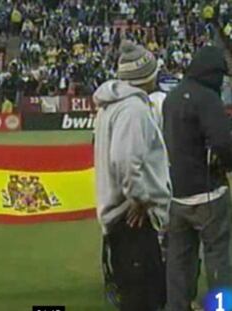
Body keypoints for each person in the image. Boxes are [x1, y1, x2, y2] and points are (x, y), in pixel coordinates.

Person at [94, 40, 171, 311]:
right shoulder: (133, 109)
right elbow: (125, 159)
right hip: (133, 218)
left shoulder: (110, 106)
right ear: (146, 75)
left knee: (135, 294)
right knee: (144, 298)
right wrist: (140, 199)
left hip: (119, 217)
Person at [163, 46, 232, 311]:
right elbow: (223, 144)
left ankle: (177, 307)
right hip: (208, 193)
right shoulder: (207, 98)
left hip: (178, 194)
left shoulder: (173, 97)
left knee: (179, 264)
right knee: (218, 260)